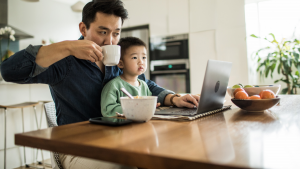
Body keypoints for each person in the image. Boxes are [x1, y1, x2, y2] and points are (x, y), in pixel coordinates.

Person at [0, 0, 199, 168]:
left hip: (118, 140)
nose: (110, 41)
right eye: (103, 32)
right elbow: (8, 71)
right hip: (76, 147)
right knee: (125, 164)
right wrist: (68, 46)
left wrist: (174, 98)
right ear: (83, 28)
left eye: (116, 33)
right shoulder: (64, 62)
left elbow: (144, 84)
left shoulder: (117, 61)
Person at [101, 37, 152, 117]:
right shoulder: (113, 86)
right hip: (121, 127)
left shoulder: (144, 85)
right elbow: (108, 110)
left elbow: (148, 104)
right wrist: (133, 108)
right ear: (121, 63)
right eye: (135, 57)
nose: (141, 62)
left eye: (144, 57)